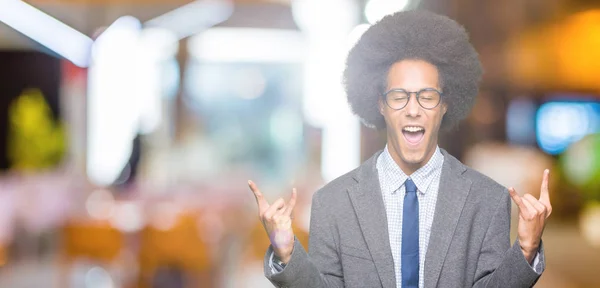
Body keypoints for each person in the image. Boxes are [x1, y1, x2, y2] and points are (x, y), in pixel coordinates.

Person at [248, 10, 551, 288]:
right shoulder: (333, 202)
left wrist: (526, 249)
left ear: (445, 104)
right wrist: (286, 251)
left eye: (427, 96)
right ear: (380, 104)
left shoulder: (487, 200)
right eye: (399, 96)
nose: (413, 110)